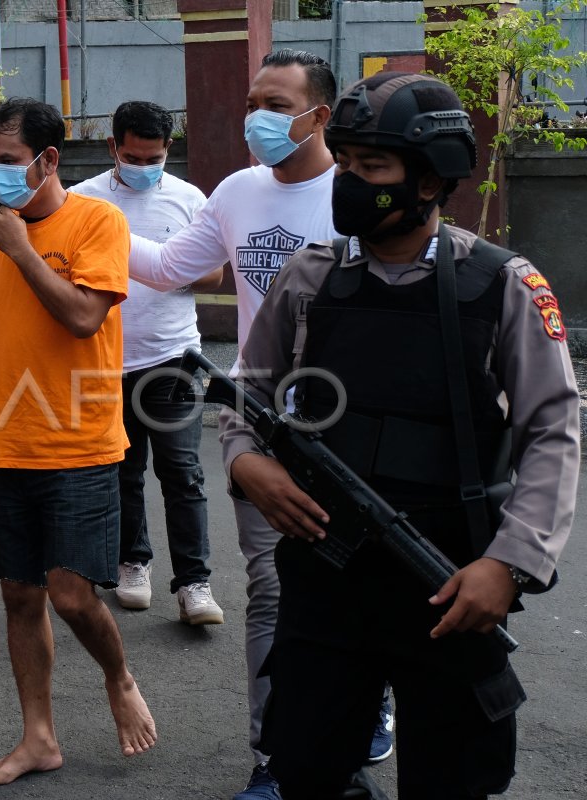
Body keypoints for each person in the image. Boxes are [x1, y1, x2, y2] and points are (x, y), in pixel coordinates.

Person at [220, 71, 579, 799]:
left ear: (428, 180)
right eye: (345, 163)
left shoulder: (500, 283)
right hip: (326, 571)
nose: (350, 182)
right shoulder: (311, 278)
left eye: (371, 168)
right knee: (307, 764)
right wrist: (246, 463)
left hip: (448, 578)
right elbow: (247, 389)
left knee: (450, 777)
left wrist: (509, 564)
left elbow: (553, 427)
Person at [125, 51, 397, 799]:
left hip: (354, 427)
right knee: (273, 593)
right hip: (264, 424)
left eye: (276, 102)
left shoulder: (357, 194)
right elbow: (171, 264)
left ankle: (371, 698)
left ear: (320, 115)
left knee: (360, 583)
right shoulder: (239, 191)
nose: (258, 117)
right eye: (252, 100)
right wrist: (83, 223)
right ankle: (275, 756)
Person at [0, 98, 156, 787]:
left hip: (81, 438)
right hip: (10, 441)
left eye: (10, 163)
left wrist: (20, 248)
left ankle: (119, 678)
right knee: (19, 595)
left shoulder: (98, 220)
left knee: (72, 595)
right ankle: (38, 737)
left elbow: (80, 317)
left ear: (48, 160)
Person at [69, 100, 222, 624]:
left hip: (172, 355)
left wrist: (160, 270)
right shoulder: (80, 200)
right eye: (133, 156)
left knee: (183, 471)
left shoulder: (189, 198)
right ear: (113, 147)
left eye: (154, 156)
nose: (145, 164)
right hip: (104, 361)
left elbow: (213, 275)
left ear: (168, 150)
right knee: (122, 471)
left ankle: (195, 583)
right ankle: (134, 562)